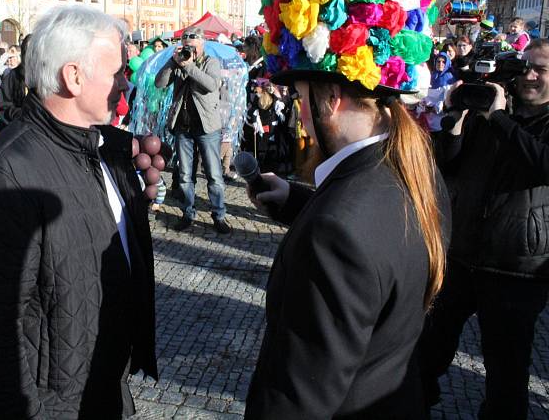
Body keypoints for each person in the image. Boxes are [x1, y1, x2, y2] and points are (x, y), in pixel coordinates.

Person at [0, 6, 157, 419]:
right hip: (55, 402)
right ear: (74, 77)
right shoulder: (6, 176)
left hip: (101, 381)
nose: (127, 81)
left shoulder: (99, 146)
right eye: (117, 71)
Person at [243, 53, 449, 418]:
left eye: (302, 100)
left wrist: (321, 218)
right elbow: (378, 232)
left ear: (332, 100)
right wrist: (297, 202)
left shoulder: (334, 232)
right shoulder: (418, 172)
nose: (301, 116)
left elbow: (298, 396)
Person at [419, 38, 549, 419]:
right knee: (427, 351)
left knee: (506, 374)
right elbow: (449, 164)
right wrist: (456, 125)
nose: (529, 75)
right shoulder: (492, 108)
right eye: (526, 66)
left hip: (517, 267)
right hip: (464, 253)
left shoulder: (507, 116)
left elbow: (542, 164)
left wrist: (500, 119)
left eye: (541, 69)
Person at [154, 26, 230, 234]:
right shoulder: (178, 63)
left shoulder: (211, 63)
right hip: (183, 128)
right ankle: (188, 212)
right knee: (185, 175)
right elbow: (159, 83)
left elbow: (210, 85)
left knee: (214, 175)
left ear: (202, 45)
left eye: (193, 47)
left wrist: (189, 67)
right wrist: (172, 62)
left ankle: (219, 215)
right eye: (186, 46)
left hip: (207, 128)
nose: (189, 51)